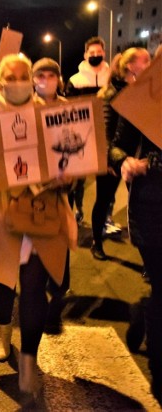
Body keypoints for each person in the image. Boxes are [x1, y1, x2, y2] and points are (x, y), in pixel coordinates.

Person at [0, 54, 77, 396]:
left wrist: (66, 178)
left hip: (40, 217)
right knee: (1, 283)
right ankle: (2, 328)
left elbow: (73, 160)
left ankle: (29, 356)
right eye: (10, 77)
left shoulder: (52, 119)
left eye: (22, 76)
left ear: (31, 81)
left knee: (33, 288)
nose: (16, 82)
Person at [109, 49, 159, 403]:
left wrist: (152, 162)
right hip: (151, 206)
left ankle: (146, 316)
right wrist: (125, 161)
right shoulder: (143, 99)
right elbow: (117, 146)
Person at [91, 47, 151, 261]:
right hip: (113, 158)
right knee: (103, 201)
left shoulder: (142, 91)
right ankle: (96, 242)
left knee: (138, 206)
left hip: (134, 158)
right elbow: (106, 129)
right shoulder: (111, 93)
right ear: (130, 66)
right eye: (145, 60)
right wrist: (110, 160)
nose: (150, 64)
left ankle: (148, 257)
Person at [33, 57, 71, 335]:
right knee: (32, 259)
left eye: (51, 75)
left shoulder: (71, 109)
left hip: (59, 194)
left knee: (59, 256)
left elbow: (83, 148)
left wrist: (72, 177)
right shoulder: (21, 109)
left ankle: (54, 309)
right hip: (29, 196)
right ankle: (35, 306)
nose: (45, 79)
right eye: (40, 75)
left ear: (59, 78)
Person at [66, 36, 113, 231]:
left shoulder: (111, 77)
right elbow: (67, 107)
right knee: (79, 179)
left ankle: (107, 216)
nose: (95, 55)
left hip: (106, 134)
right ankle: (78, 211)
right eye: (91, 53)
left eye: (98, 52)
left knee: (108, 174)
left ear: (104, 53)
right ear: (85, 55)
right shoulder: (75, 80)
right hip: (82, 135)